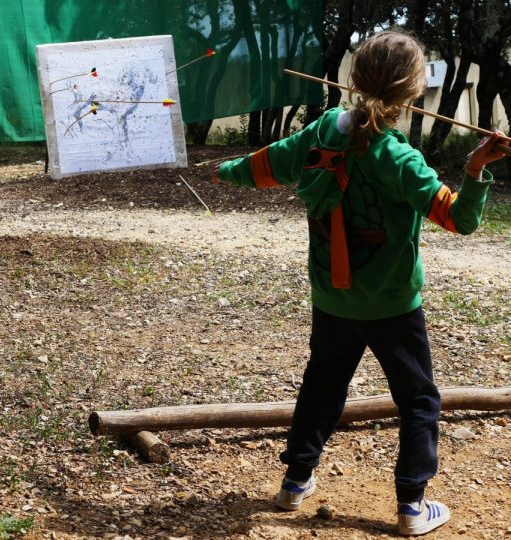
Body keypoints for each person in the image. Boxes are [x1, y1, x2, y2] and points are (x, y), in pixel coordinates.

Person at [210, 30, 510, 536]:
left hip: (332, 298)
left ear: (355, 79)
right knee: (418, 400)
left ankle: (293, 484)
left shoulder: (322, 131)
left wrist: (223, 171)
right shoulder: (398, 158)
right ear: (412, 92)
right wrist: (476, 166)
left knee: (323, 383)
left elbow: (265, 165)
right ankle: (412, 507)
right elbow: (461, 220)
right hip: (392, 305)